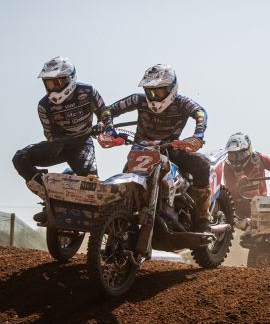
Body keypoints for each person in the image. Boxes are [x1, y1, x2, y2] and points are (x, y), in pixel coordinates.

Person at [107, 64, 211, 232]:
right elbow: (108, 111)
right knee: (123, 186)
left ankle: (202, 218)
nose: (154, 96)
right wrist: (108, 129)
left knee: (202, 164)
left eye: (159, 91)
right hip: (140, 152)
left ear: (172, 89)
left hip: (171, 149)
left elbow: (200, 113)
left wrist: (198, 135)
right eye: (150, 91)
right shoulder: (138, 99)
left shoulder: (182, 102)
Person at [12, 56, 113, 223]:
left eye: (57, 82)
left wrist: (102, 124)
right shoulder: (44, 105)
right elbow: (48, 133)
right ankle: (50, 201)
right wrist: (56, 141)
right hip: (58, 146)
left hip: (82, 145)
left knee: (91, 185)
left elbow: (105, 112)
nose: (53, 87)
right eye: (49, 83)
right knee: (19, 158)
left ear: (70, 79)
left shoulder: (88, 91)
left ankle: (88, 211)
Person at [223, 132, 270, 222]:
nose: (236, 159)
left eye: (240, 154)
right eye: (232, 155)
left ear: (248, 150)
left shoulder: (259, 158)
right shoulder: (228, 165)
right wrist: (238, 183)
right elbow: (228, 191)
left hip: (261, 206)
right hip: (238, 211)